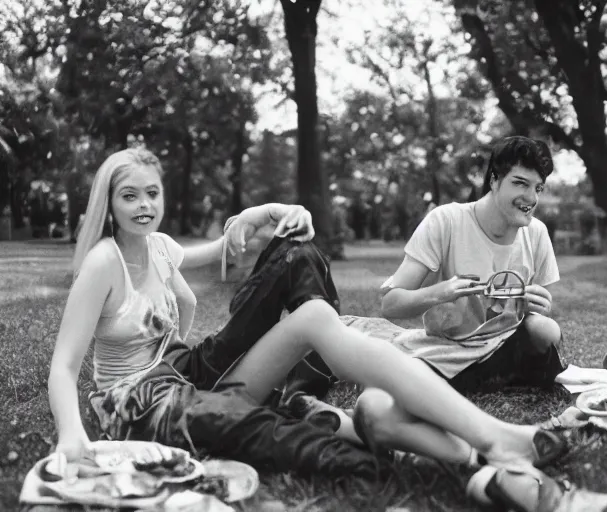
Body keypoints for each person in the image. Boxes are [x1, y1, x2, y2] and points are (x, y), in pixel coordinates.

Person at [49, 148, 570, 509]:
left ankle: (493, 436)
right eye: (130, 197)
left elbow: (236, 246)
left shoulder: (160, 247)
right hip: (141, 401)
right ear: (109, 204)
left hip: (187, 371)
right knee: (304, 433)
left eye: (153, 194)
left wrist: (280, 211)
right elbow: (65, 367)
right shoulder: (102, 262)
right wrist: (73, 434)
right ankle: (475, 461)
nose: (145, 207)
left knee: (306, 282)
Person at [361, 136, 564, 395]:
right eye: (520, 183)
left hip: (505, 345)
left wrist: (541, 305)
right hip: (447, 349)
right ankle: (471, 379)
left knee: (546, 330)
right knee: (393, 379)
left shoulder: (536, 233)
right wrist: (441, 292)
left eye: (538, 188)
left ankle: (480, 378)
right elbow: (390, 304)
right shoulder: (445, 221)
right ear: (494, 179)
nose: (530, 198)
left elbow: (541, 319)